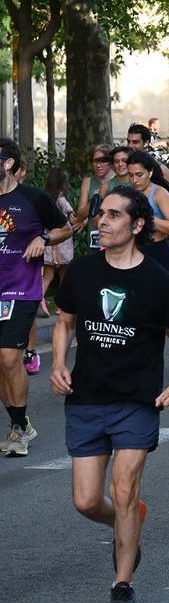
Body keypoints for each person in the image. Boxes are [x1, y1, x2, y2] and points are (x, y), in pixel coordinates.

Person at [50, 186, 169, 603]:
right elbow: (64, 323)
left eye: (114, 215)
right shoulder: (82, 271)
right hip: (86, 397)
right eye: (101, 214)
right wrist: (59, 362)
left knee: (124, 487)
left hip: (136, 399)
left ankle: (122, 586)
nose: (102, 221)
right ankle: (131, 518)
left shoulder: (157, 281)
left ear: (136, 226)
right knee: (86, 501)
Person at [0, 141, 71, 457]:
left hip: (19, 288)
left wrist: (42, 239)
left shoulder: (33, 198)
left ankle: (16, 431)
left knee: (8, 358)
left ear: (8, 164)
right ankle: (21, 422)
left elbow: (65, 228)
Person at [24, 169, 76, 375]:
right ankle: (62, 307)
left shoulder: (43, 197)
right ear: (64, 183)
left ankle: (39, 297)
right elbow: (71, 218)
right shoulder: (61, 201)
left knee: (47, 276)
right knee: (64, 276)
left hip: (47, 243)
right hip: (61, 243)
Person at [126, 151, 169, 278]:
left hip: (159, 252)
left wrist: (147, 218)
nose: (134, 180)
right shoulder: (128, 193)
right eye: (130, 175)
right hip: (134, 252)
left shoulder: (159, 193)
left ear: (150, 172)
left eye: (139, 175)